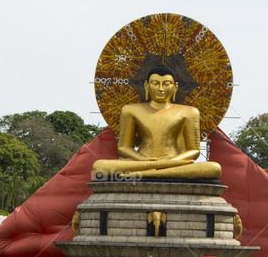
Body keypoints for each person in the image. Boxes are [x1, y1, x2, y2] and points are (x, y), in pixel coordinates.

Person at [92, 64, 221, 180]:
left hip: (173, 162)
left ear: (175, 87)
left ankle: (147, 174)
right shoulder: (130, 110)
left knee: (214, 168)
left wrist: (171, 161)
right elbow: (123, 147)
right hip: (142, 161)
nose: (160, 89)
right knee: (99, 167)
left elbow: (194, 151)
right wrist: (145, 161)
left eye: (166, 84)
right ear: (146, 85)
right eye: (155, 83)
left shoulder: (190, 112)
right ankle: (156, 170)